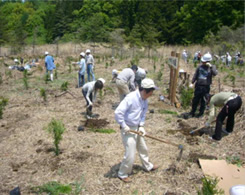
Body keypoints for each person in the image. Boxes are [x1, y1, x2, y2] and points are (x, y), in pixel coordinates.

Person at [115, 78, 159, 183]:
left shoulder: (145, 100)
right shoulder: (131, 98)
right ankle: (122, 173)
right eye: (151, 92)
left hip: (137, 128)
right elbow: (118, 113)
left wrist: (141, 126)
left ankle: (148, 166)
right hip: (128, 128)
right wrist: (124, 125)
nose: (151, 95)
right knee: (130, 152)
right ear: (145, 90)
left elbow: (143, 114)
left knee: (143, 147)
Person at [188, 52, 218, 118]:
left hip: (206, 86)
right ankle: (192, 112)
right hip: (198, 85)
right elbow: (196, 75)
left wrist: (211, 67)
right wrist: (192, 82)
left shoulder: (212, 67)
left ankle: (201, 114)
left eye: (204, 61)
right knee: (195, 99)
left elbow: (215, 73)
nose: (203, 62)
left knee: (203, 101)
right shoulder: (200, 67)